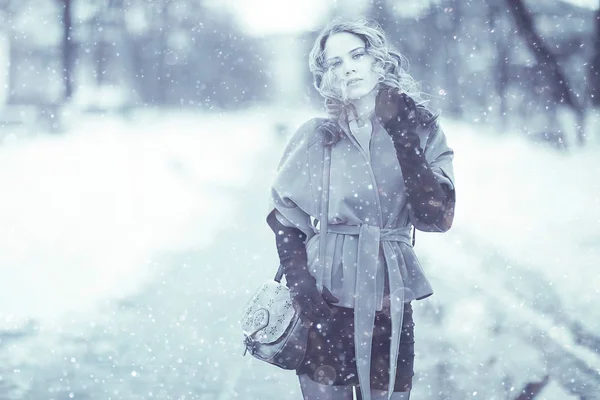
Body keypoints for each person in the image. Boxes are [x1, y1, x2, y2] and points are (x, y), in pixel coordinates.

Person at [266, 19, 456, 400]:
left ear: (378, 60)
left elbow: (436, 217)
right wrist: (303, 289)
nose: (348, 68)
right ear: (327, 77)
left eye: (357, 55)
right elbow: (285, 216)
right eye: (335, 63)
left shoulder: (420, 129)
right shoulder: (317, 136)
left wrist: (402, 135)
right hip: (325, 297)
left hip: (389, 298)